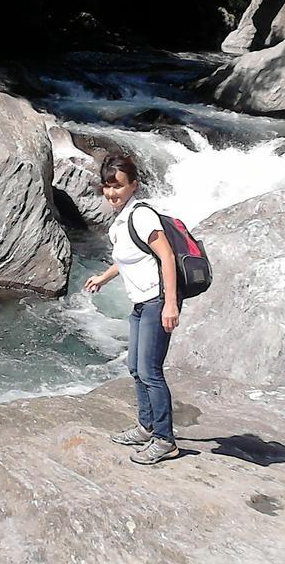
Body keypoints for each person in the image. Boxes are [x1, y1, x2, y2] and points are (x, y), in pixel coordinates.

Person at [85, 153, 182, 465]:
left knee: (151, 371)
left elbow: (166, 257)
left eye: (119, 186)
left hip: (157, 301)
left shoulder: (142, 215)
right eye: (107, 186)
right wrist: (103, 277)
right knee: (135, 368)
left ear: (134, 186)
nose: (112, 192)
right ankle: (146, 426)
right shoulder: (121, 221)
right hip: (141, 304)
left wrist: (169, 303)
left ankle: (165, 440)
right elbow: (126, 258)